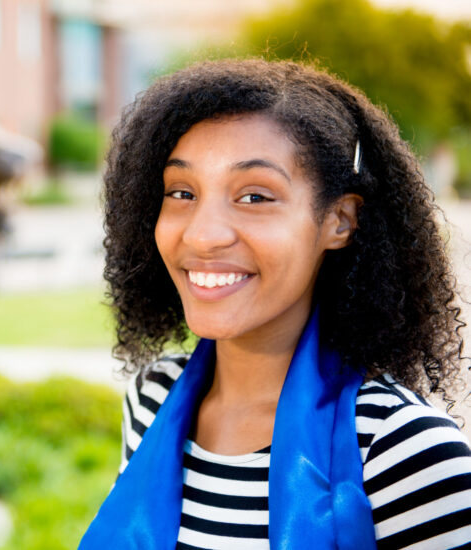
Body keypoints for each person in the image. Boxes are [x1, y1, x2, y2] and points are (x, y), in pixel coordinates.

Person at [79, 60, 471, 550]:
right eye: (182, 192)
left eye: (255, 197)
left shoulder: (403, 449)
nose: (203, 234)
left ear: (339, 221)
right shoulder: (152, 396)